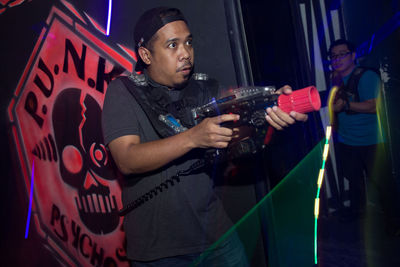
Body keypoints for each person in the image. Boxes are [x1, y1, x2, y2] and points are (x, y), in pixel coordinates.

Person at [102, 7, 307, 266]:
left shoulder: (203, 88)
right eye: (172, 45)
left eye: (188, 42)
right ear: (146, 55)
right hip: (159, 250)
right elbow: (127, 159)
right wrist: (192, 138)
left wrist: (273, 108)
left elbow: (242, 116)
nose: (185, 53)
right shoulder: (125, 92)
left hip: (216, 237)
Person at [328, 39, 394, 221]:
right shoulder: (336, 79)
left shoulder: (366, 76)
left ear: (353, 55)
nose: (338, 59)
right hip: (347, 142)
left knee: (383, 183)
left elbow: (374, 106)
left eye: (342, 54)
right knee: (354, 183)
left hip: (371, 141)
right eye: (334, 56)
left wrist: (347, 104)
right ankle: (359, 220)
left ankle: (394, 222)